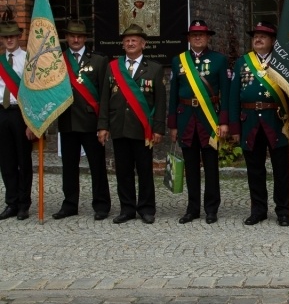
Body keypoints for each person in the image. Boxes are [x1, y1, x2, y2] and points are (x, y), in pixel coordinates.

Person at [229, 20, 289, 227]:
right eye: (255, 36)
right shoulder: (242, 62)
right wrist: (235, 127)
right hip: (250, 122)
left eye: (263, 36)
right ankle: (258, 210)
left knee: (281, 170)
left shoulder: (284, 62)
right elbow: (233, 96)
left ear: (273, 41)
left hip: (277, 122)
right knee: (254, 170)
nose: (258, 39)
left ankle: (283, 210)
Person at [98, 24, 166, 224]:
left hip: (143, 128)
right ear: (122, 44)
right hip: (119, 126)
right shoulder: (112, 68)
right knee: (123, 170)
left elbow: (160, 102)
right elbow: (104, 98)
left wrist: (158, 128)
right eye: (127, 40)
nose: (130, 43)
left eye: (134, 40)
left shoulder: (154, 69)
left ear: (143, 44)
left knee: (145, 170)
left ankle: (146, 209)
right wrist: (103, 126)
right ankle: (127, 209)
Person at [168, 20, 230, 224]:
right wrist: (173, 125)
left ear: (208, 38)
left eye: (201, 35)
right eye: (193, 35)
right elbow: (173, 95)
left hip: (209, 119)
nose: (197, 38)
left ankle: (211, 209)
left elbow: (226, 94)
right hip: (186, 118)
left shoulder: (219, 60)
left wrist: (223, 122)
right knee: (191, 167)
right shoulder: (179, 61)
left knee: (211, 167)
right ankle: (192, 208)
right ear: (188, 38)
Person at [54, 20, 111, 220]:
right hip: (68, 120)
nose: (75, 39)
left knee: (97, 165)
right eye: (71, 36)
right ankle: (70, 204)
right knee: (69, 166)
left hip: (91, 121)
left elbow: (105, 95)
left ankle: (102, 205)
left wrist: (104, 124)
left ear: (85, 38)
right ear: (66, 38)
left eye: (79, 36)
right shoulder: (58, 60)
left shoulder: (98, 60)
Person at [0, 20, 34, 220]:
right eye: (5, 37)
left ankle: (24, 203)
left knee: (23, 160)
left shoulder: (28, 60)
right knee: (6, 161)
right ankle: (11, 202)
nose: (9, 40)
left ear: (19, 37)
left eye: (12, 36)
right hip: (2, 113)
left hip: (21, 113)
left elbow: (33, 93)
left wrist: (31, 122)